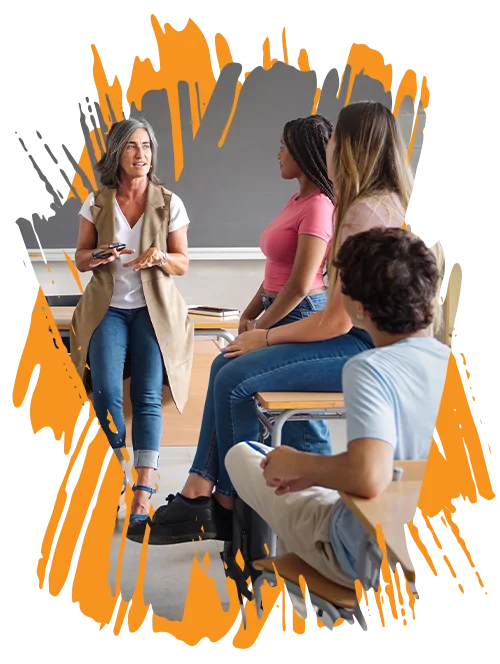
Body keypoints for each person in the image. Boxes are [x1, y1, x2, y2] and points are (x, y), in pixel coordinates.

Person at [127, 114, 337, 545]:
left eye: (283, 145)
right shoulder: (297, 200)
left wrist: (262, 325)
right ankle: (209, 494)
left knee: (231, 374)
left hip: (298, 314)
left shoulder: (319, 205)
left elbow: (300, 284)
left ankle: (217, 496)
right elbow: (276, 273)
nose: (277, 152)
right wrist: (250, 310)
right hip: (278, 309)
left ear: (303, 151)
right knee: (227, 369)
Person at [225, 226, 451, 591]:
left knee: (243, 455)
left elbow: (367, 476)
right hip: (439, 544)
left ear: (358, 309)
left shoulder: (369, 368)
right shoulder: (452, 364)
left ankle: (242, 567)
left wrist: (299, 464)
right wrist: (317, 473)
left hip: (363, 554)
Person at [70, 116, 194, 534]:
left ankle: (144, 488)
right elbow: (81, 257)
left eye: (146, 146)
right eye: (132, 147)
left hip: (151, 311)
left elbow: (182, 263)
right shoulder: (98, 201)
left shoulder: (169, 202)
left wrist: (159, 257)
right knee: (104, 389)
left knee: (145, 396)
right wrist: (99, 255)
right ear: (117, 153)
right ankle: (113, 476)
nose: (141, 154)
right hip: (110, 309)